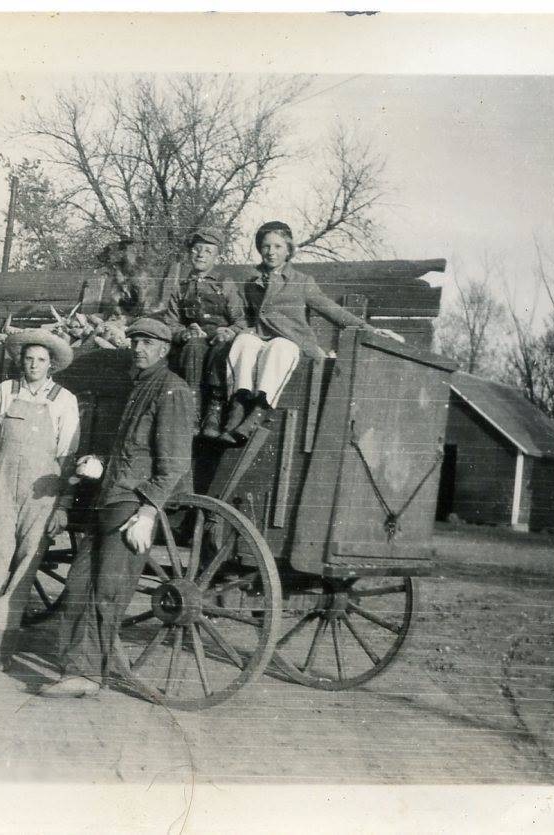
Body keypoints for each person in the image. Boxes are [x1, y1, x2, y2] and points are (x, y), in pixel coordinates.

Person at [38, 316, 194, 699]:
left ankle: (88, 675)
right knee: (79, 583)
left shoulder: (171, 389)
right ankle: (75, 668)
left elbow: (174, 462)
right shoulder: (138, 387)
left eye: (148, 343)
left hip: (132, 506)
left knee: (107, 590)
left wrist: (148, 512)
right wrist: (100, 465)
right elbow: (132, 453)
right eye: (135, 341)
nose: (139, 349)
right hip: (109, 498)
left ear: (164, 350)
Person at [0, 330, 80, 672]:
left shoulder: (64, 400)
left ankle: (1, 652)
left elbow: (68, 458)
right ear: (21, 361)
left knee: (23, 575)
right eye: (29, 359)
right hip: (0, 490)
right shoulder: (5, 391)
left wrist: (63, 506)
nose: (34, 365)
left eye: (41, 360)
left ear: (51, 364)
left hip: (42, 494)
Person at [222, 220, 403, 445]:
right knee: (244, 341)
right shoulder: (251, 281)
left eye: (278, 246)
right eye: (266, 246)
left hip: (290, 341)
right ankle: (237, 407)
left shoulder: (301, 282)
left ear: (288, 250)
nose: (271, 252)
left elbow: (332, 310)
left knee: (279, 347)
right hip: (259, 338)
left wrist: (370, 330)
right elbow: (241, 314)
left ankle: (258, 412)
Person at [161, 227, 247, 437]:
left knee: (222, 349)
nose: (200, 255)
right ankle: (193, 411)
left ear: (217, 257)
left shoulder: (224, 284)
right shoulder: (181, 288)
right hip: (194, 341)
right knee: (193, 347)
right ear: (189, 253)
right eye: (196, 249)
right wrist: (184, 332)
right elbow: (170, 323)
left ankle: (213, 413)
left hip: (220, 339)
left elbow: (241, 321)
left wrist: (229, 332)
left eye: (208, 251)